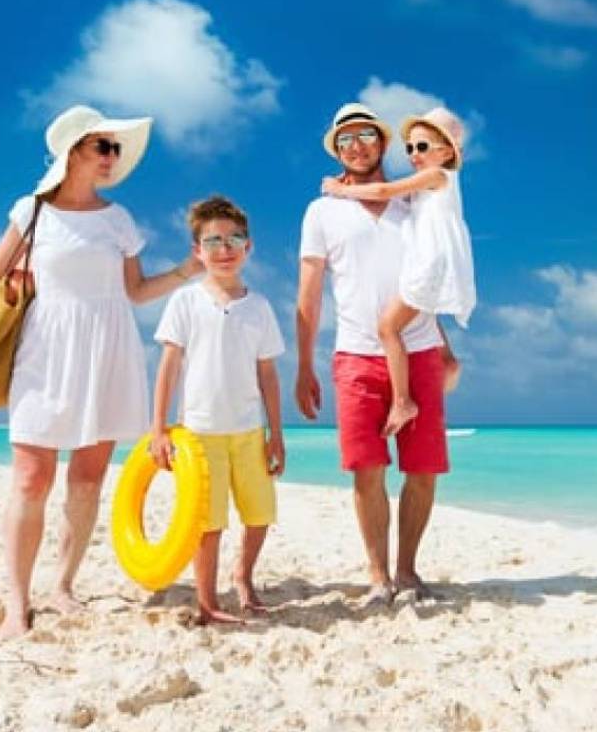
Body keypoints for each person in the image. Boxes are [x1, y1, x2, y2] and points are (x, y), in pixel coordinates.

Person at [0, 105, 197, 638]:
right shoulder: (32, 213)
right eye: (103, 147)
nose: (111, 158)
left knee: (87, 479)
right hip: (46, 351)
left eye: (115, 149)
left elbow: (135, 291)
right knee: (32, 478)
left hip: (108, 350)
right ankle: (16, 600)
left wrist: (185, 272)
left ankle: (63, 586)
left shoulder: (118, 220)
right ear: (74, 151)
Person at [295, 103, 459, 606]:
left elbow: (431, 277)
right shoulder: (322, 210)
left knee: (424, 468)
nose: (356, 146)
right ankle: (377, 576)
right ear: (336, 149)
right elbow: (309, 291)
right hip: (356, 355)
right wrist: (303, 365)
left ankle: (407, 571)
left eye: (366, 135)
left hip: (421, 350)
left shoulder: (416, 200)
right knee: (367, 469)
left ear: (381, 143)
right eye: (345, 140)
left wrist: (447, 347)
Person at [149, 196, 286, 624]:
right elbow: (168, 369)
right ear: (197, 251)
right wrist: (159, 430)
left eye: (234, 240)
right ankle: (207, 602)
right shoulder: (185, 302)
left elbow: (268, 375)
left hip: (248, 430)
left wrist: (276, 434)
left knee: (261, 513)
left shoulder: (260, 307)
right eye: (213, 242)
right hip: (200, 433)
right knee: (208, 523)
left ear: (249, 247)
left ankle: (243, 577)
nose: (224, 249)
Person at [321, 106, 477, 435]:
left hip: (430, 264)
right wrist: (349, 181)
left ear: (446, 152)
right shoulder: (427, 187)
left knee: (387, 327)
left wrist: (341, 190)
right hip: (428, 265)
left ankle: (403, 400)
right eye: (409, 148)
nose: (413, 154)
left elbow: (382, 191)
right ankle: (447, 358)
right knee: (418, 311)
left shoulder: (437, 176)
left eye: (422, 147)